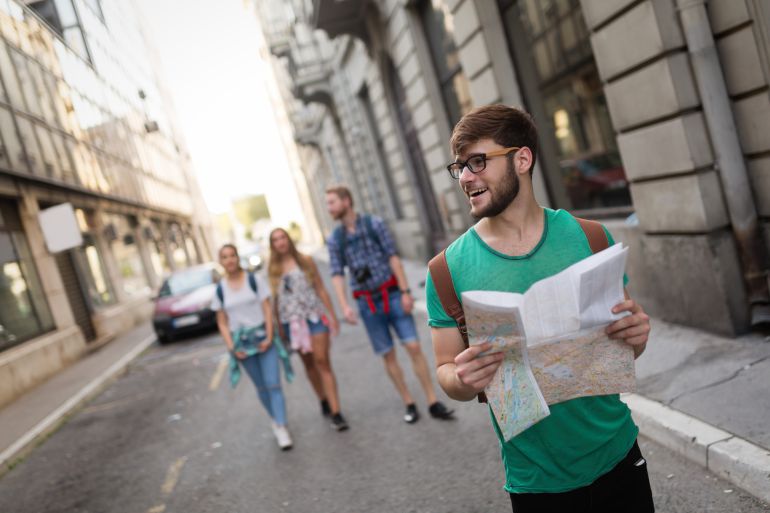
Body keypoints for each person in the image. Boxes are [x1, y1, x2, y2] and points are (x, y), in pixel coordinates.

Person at [425, 104, 654, 512]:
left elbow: (624, 347)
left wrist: (637, 336)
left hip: (618, 456)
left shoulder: (591, 238)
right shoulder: (446, 271)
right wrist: (463, 377)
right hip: (536, 484)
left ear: (522, 159)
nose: (464, 177)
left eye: (478, 162)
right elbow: (446, 371)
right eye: (459, 167)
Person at [325, 185, 455, 424]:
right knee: (388, 355)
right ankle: (409, 402)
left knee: (414, 347)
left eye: (332, 202)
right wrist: (344, 305)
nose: (329, 208)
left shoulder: (374, 224)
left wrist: (405, 291)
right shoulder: (336, 239)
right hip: (367, 304)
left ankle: (432, 401)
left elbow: (393, 257)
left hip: (392, 294)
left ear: (346, 201)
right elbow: (336, 273)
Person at [212, 244, 293, 450]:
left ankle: (282, 426)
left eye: (232, 255)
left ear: (238, 258)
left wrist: (269, 334)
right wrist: (231, 347)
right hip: (242, 345)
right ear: (221, 262)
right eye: (225, 257)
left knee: (273, 383)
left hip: (263, 338)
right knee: (262, 387)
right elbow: (222, 322)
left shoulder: (254, 280)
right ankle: (275, 419)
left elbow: (266, 308)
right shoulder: (220, 289)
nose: (229, 260)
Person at [267, 227, 349, 431]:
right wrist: (279, 328)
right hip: (291, 322)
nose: (280, 242)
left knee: (322, 361)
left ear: (288, 240)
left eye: (283, 237)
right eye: (275, 240)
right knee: (309, 365)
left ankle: (337, 412)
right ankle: (323, 399)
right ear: (272, 245)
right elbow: (275, 300)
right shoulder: (272, 269)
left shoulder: (305, 260)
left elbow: (320, 288)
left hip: (314, 317)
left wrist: (333, 316)